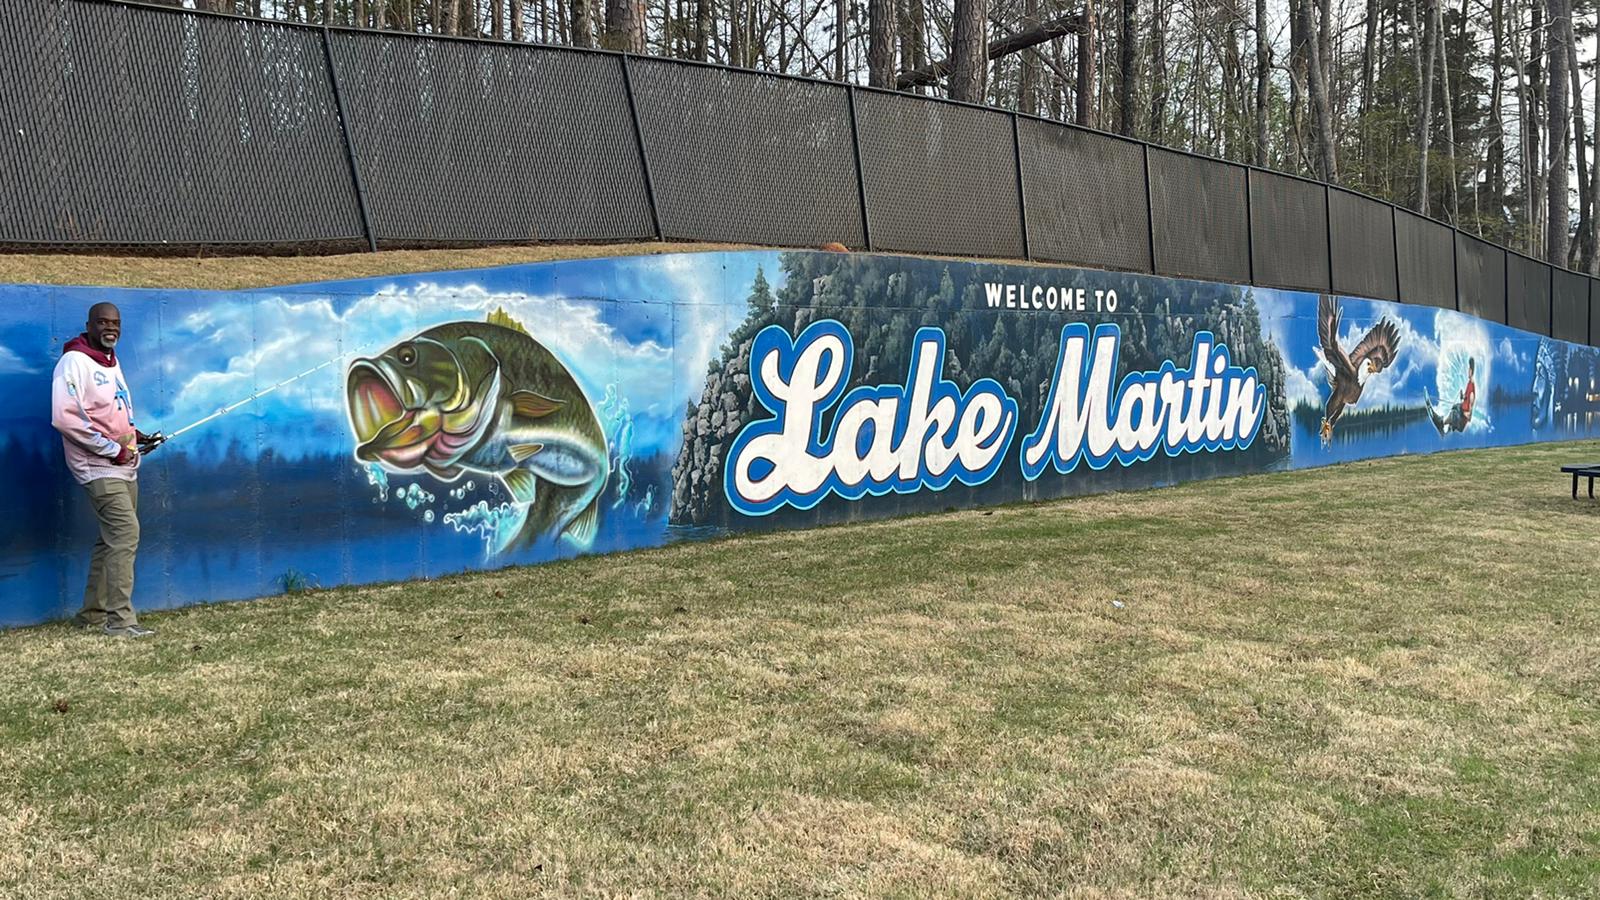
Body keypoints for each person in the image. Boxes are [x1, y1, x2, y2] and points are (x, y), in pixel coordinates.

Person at [50, 303, 163, 637]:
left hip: (124, 465)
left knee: (111, 540)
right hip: (98, 467)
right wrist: (113, 450)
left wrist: (137, 437)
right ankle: (121, 622)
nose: (110, 328)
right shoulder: (74, 362)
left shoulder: (112, 361)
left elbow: (112, 412)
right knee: (126, 534)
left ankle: (90, 616)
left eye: (115, 323)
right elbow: (66, 418)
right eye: (102, 322)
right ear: (89, 325)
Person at [1428, 357, 1476, 436]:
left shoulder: (1472, 393)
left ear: (1471, 371)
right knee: (1455, 406)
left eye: (1468, 370)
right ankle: (1445, 429)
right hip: (1460, 414)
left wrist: (1463, 413)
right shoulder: (1469, 384)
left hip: (1461, 423)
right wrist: (1462, 396)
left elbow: (1469, 416)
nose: (1467, 371)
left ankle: (1441, 423)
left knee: (1454, 414)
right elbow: (1465, 398)